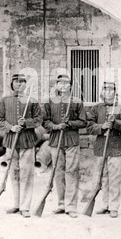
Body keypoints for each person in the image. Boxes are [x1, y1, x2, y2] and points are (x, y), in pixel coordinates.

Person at [0, 73, 43, 218]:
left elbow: (39, 119)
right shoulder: (4, 101)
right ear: (12, 84)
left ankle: (25, 206)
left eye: (22, 82)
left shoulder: (32, 101)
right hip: (11, 141)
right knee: (13, 173)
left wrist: (26, 123)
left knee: (26, 173)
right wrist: (11, 127)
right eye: (16, 82)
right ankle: (16, 204)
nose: (19, 84)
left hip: (27, 140)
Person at [43, 74, 87, 218]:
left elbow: (83, 122)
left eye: (66, 83)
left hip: (72, 141)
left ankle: (71, 206)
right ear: (56, 86)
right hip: (56, 141)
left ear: (70, 86)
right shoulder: (50, 101)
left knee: (72, 172)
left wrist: (70, 123)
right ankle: (61, 204)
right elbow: (45, 122)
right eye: (60, 83)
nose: (63, 86)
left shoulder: (77, 102)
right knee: (58, 172)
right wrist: (56, 126)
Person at [87, 81, 121, 218]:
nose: (108, 92)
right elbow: (89, 126)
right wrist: (102, 127)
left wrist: (115, 123)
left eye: (111, 90)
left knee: (114, 177)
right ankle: (105, 205)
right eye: (105, 89)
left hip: (115, 146)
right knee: (102, 177)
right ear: (102, 92)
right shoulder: (96, 108)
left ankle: (114, 206)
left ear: (115, 92)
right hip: (101, 146)